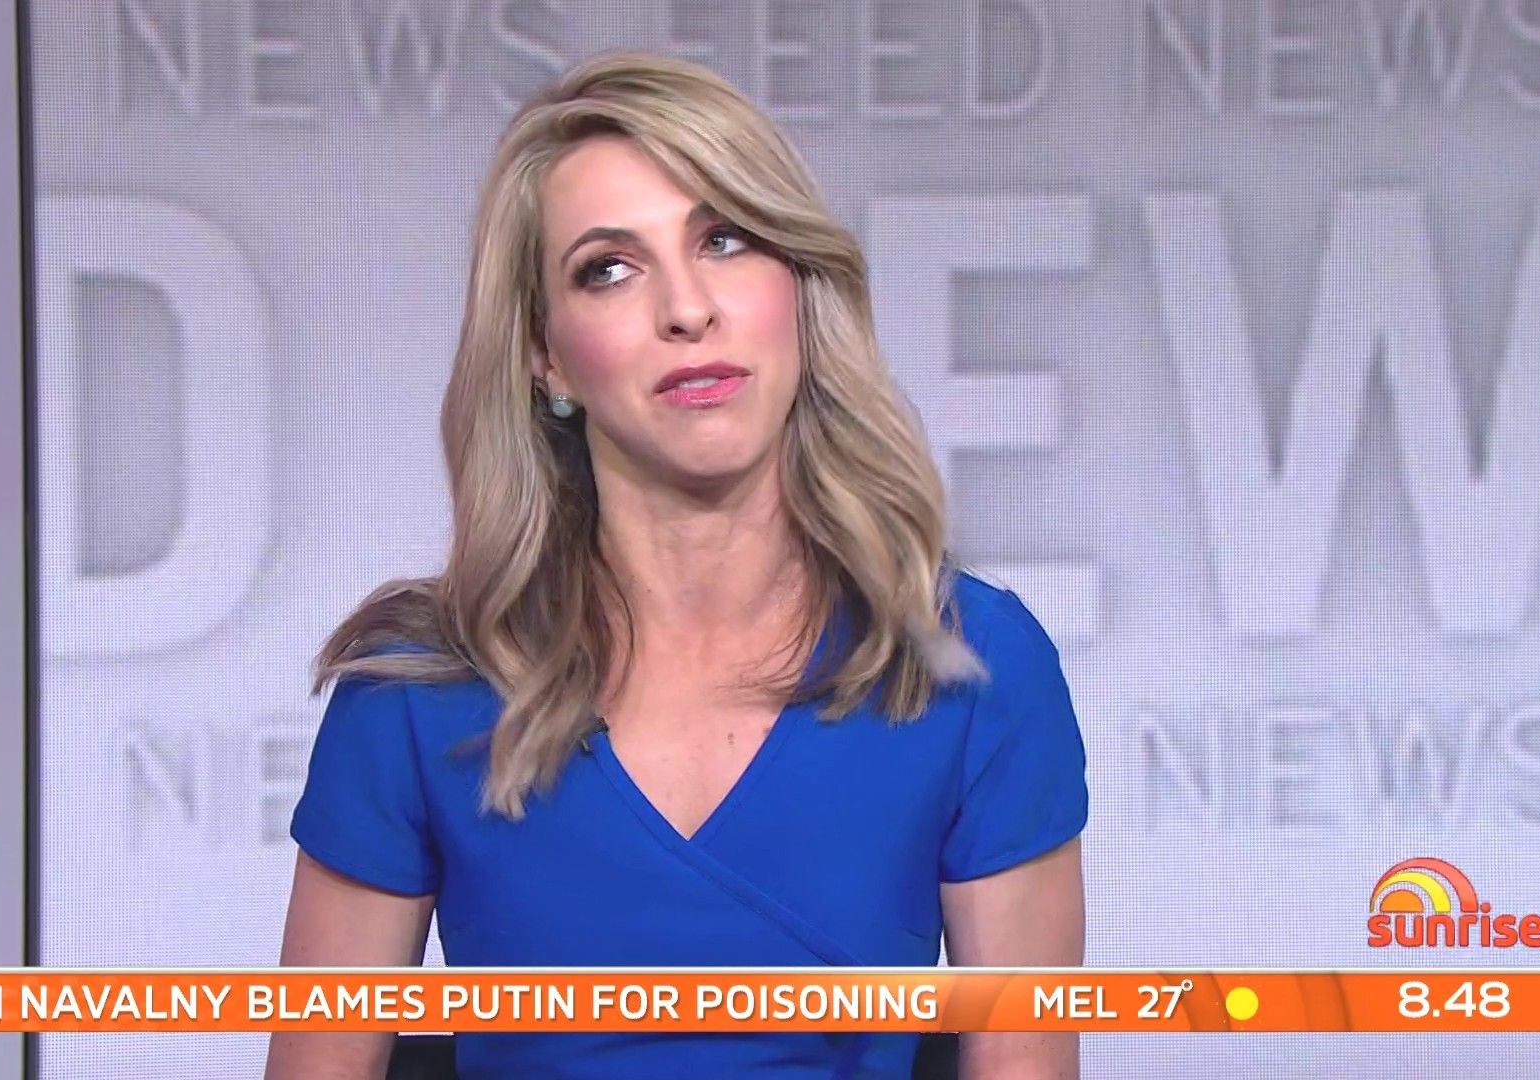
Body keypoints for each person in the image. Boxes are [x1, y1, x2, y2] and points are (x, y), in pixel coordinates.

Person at [266, 50, 1088, 1080]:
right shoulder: (413, 693)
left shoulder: (976, 670)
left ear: (798, 288)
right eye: (609, 268)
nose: (688, 309)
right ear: (547, 356)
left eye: (725, 240)